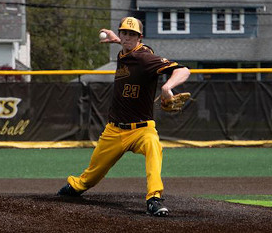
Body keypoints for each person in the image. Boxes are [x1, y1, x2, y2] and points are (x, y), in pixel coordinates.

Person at [57, 17, 190, 217]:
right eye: (124, 33)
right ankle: (77, 187)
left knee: (154, 146)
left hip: (141, 129)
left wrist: (167, 87)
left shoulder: (146, 59)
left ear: (140, 38)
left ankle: (154, 198)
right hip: (114, 130)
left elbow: (183, 70)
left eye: (132, 34)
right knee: (91, 176)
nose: (127, 37)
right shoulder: (124, 52)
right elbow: (127, 45)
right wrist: (114, 39)